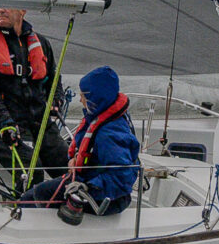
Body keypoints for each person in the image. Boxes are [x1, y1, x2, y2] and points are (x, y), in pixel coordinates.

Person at [17, 65, 141, 221]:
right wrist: (74, 160)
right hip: (91, 181)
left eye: (84, 96)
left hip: (107, 197)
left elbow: (121, 177)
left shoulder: (109, 134)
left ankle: (28, 224)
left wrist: (88, 187)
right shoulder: (104, 115)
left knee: (39, 194)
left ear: (96, 99)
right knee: (37, 193)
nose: (80, 100)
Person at [0, 7, 69, 185]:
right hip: (4, 125)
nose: (1, 10)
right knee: (32, 172)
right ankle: (26, 201)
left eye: (7, 5)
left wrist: (57, 100)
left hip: (40, 123)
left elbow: (54, 79)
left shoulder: (41, 43)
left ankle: (66, 200)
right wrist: (5, 123)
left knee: (71, 167)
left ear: (22, 11)